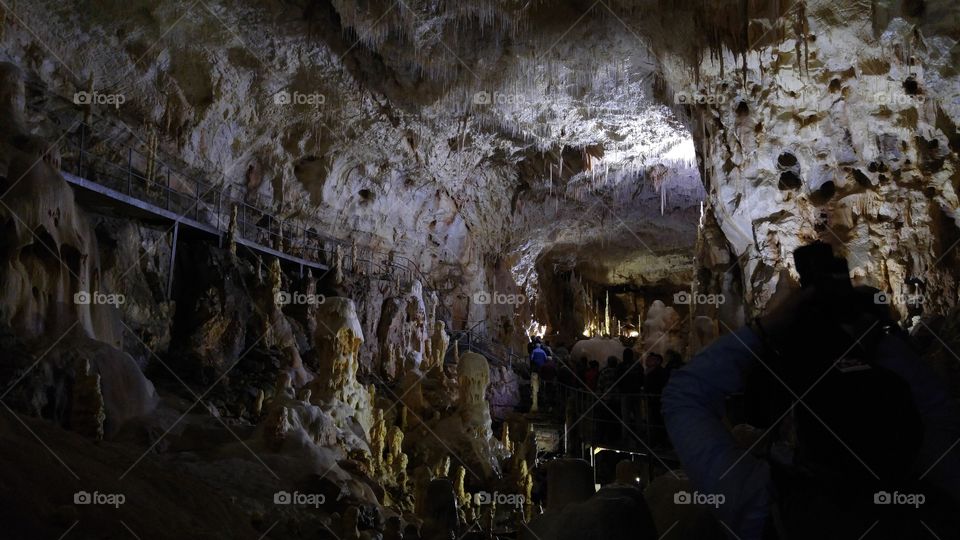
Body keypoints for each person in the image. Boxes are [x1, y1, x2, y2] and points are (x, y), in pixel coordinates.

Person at [663, 282, 960, 539]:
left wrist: (767, 328)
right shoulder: (942, 494)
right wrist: (873, 338)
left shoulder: (763, 511)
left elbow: (683, 394)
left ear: (798, 433)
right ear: (907, 426)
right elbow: (939, 408)